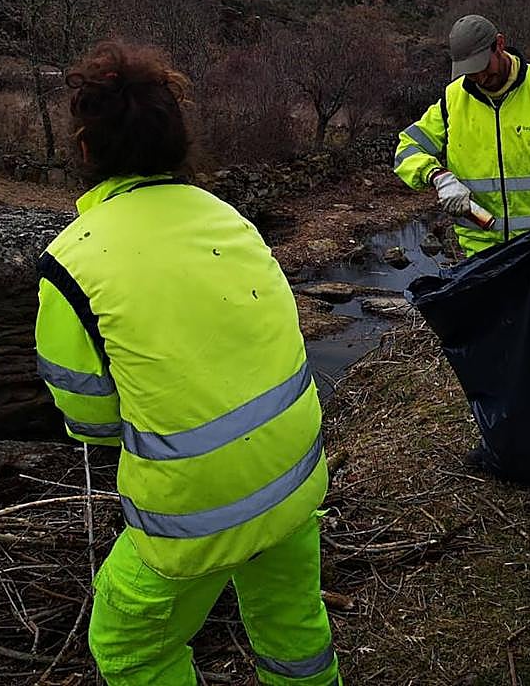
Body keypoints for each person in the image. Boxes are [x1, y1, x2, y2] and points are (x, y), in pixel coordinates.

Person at [33, 41, 340, 686]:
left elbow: (91, 422)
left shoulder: (72, 261)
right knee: (292, 627)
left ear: (85, 149)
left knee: (128, 646)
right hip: (296, 475)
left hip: (193, 514)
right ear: (178, 138)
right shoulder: (229, 219)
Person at [393, 14, 530, 285]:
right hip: (484, 256)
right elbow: (407, 148)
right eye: (471, 71)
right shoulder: (453, 100)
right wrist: (437, 176)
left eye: (483, 66)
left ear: (499, 45)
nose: (480, 77)